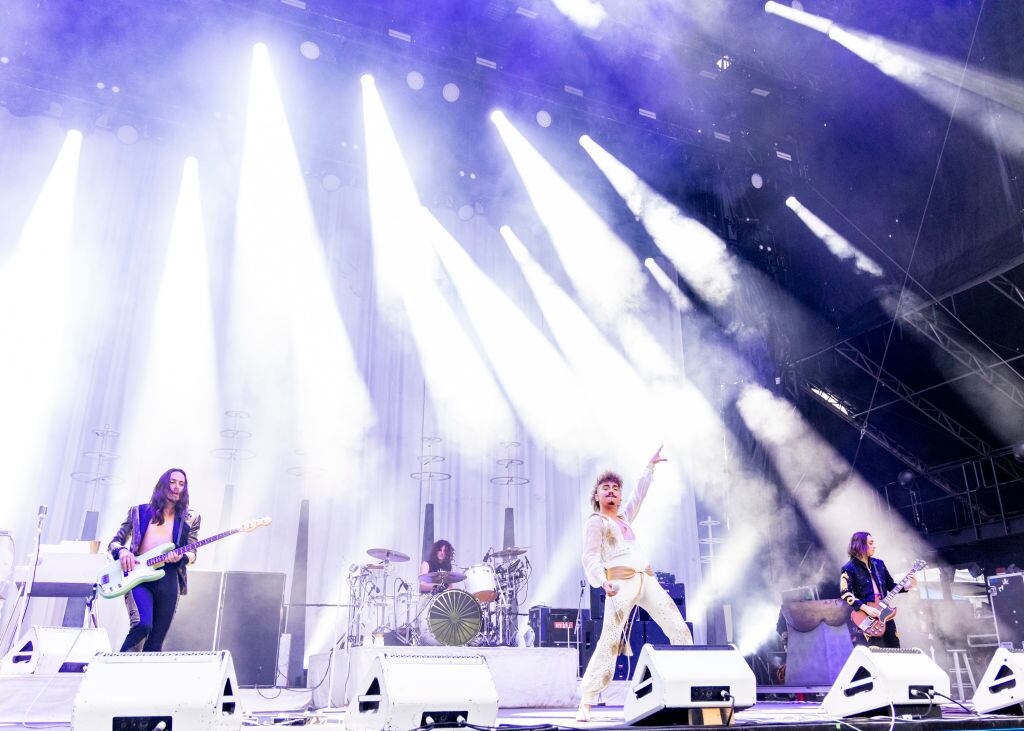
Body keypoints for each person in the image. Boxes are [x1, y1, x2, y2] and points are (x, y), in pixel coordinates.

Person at [577, 446, 693, 722]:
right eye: (605, 488)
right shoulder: (596, 522)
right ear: (596, 495)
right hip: (619, 583)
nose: (612, 492)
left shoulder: (624, 518)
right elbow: (590, 556)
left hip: (646, 579)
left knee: (678, 628)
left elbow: (639, 495)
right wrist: (602, 581)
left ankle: (687, 685)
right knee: (609, 641)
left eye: (615, 488)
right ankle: (587, 700)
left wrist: (649, 467)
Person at [108, 468, 201, 652]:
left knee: (156, 642)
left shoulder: (190, 519)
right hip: (138, 576)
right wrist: (124, 552)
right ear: (163, 484)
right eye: (173, 482)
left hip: (168, 579)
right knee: (142, 625)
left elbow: (193, 554)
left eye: (181, 484)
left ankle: (142, 679)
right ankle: (116, 670)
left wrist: (181, 556)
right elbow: (114, 543)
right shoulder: (138, 512)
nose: (176, 487)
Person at [839, 531, 915, 648]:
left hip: (885, 614)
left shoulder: (879, 564)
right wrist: (866, 608)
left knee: (895, 649)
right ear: (860, 545)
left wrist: (908, 585)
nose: (874, 546)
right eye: (871, 543)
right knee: (877, 651)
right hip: (867, 617)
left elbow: (891, 586)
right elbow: (845, 593)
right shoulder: (849, 568)